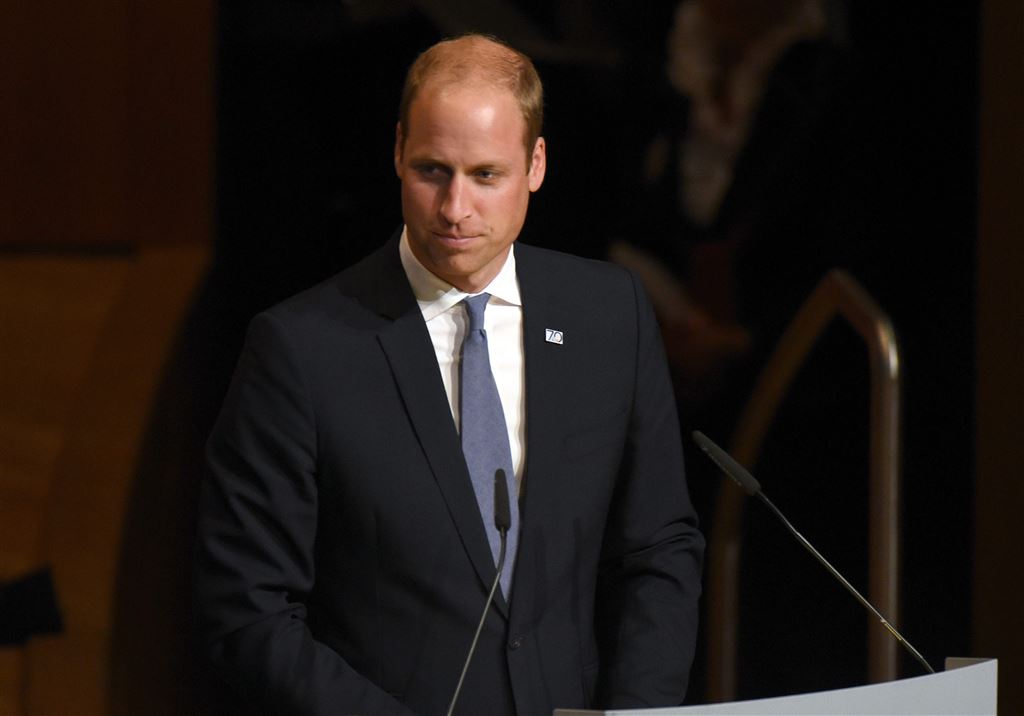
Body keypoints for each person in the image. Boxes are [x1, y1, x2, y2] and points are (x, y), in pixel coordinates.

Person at [194, 33, 704, 715]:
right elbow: (247, 610)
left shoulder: (609, 314)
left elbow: (659, 549)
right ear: (398, 151)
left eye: (486, 175)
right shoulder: (301, 350)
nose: (455, 209)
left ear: (536, 164)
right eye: (433, 170)